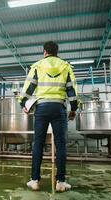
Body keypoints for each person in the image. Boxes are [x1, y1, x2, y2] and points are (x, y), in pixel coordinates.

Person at [18, 41, 78, 192]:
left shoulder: (37, 66)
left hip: (42, 108)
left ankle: (35, 180)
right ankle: (61, 182)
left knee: (38, 143)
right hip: (59, 108)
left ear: (45, 52)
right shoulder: (65, 66)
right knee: (61, 144)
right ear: (57, 52)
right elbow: (72, 90)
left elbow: (28, 87)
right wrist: (74, 108)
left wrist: (23, 103)